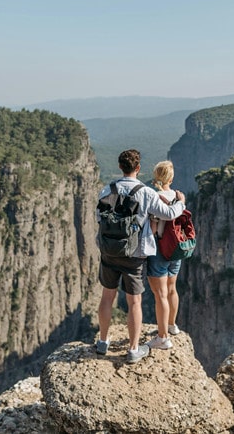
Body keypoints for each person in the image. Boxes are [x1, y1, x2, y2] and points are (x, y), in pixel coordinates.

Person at [96, 149, 186, 363]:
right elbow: (170, 214)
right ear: (138, 168)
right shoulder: (146, 193)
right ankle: (134, 348)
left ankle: (102, 341)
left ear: (120, 167)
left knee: (107, 296)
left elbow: (100, 218)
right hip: (134, 254)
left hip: (109, 252)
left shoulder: (105, 190)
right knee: (134, 302)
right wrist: (180, 202)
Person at [146, 160, 184, 350]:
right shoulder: (178, 197)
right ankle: (172, 325)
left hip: (160, 250)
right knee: (172, 289)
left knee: (160, 294)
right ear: (171, 177)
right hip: (176, 250)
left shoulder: (155, 197)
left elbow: (153, 228)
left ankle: (162, 338)